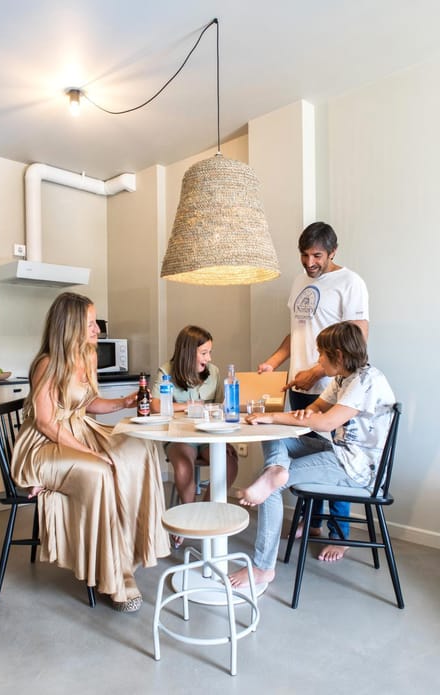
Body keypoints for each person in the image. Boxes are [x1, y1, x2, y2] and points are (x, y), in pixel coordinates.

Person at [11, 292, 170, 612]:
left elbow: (89, 405)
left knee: (139, 447)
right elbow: (44, 422)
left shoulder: (89, 355)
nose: (98, 328)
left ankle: (131, 548)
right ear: (70, 326)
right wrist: (88, 452)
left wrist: (123, 402)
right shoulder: (47, 364)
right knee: (100, 469)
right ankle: (116, 579)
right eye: (90, 323)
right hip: (45, 443)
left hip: (77, 431)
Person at [229, 321, 395, 589]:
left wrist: (272, 415)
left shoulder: (366, 380)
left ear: (338, 356)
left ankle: (262, 569)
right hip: (339, 452)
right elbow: (316, 409)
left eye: (321, 354)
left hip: (357, 469)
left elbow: (326, 423)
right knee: (273, 434)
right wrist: (277, 418)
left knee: (271, 486)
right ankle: (275, 471)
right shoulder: (343, 377)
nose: (318, 360)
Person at [257, 221, 369, 561]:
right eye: (304, 255)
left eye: (317, 255)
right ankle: (312, 520)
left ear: (333, 252)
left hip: (332, 387)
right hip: (299, 384)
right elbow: (296, 331)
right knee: (303, 451)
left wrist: (317, 371)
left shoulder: (350, 283)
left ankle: (339, 532)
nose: (309, 262)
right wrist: (273, 363)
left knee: (333, 455)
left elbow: (359, 335)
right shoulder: (299, 281)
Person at [151, 325, 238, 505]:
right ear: (189, 352)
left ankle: (206, 512)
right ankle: (188, 513)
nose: (209, 358)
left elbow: (221, 406)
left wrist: (225, 439)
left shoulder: (213, 371)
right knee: (184, 466)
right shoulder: (166, 371)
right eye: (204, 353)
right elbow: (155, 405)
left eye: (209, 352)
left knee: (229, 463)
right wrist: (188, 405)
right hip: (180, 435)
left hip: (208, 435)